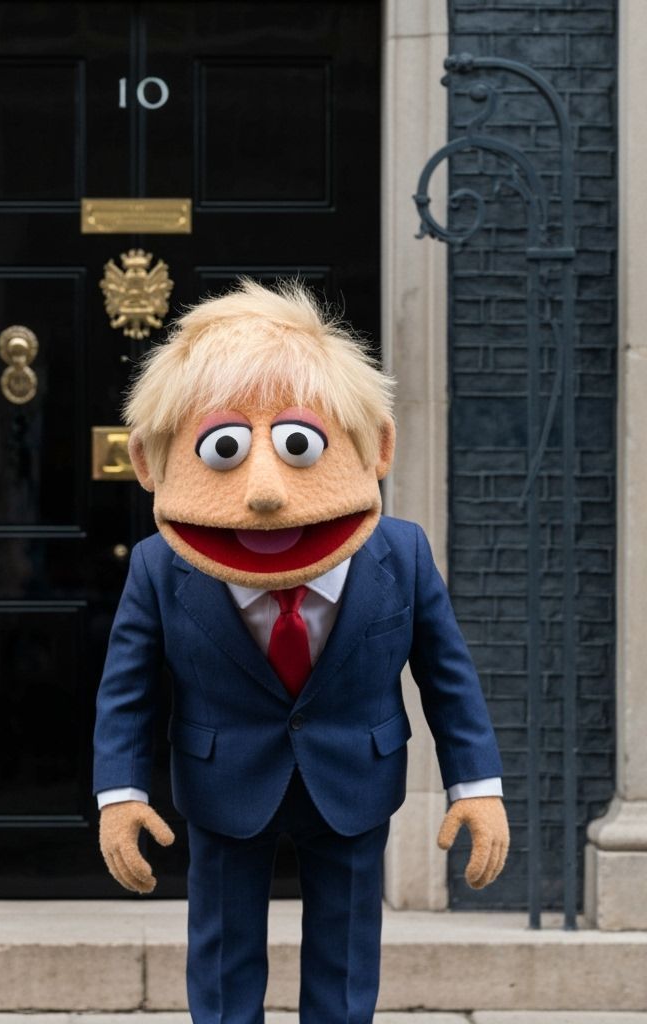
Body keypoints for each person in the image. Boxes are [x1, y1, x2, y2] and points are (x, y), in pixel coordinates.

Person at [92, 279, 509, 1024]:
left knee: (347, 962)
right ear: (156, 464)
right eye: (224, 448)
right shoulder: (162, 564)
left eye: (297, 445)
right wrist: (120, 795)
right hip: (223, 784)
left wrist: (475, 784)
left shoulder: (402, 553)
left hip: (354, 778)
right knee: (221, 959)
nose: (263, 494)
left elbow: (448, 677)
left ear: (371, 448)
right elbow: (128, 690)